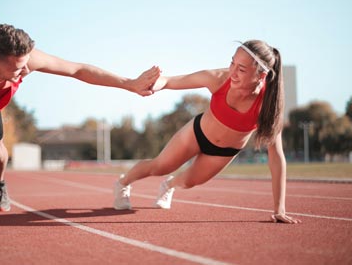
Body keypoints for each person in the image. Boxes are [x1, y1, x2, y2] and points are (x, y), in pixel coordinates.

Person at [0, 24, 161, 234]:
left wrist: (129, 84)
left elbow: (77, 69)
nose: (25, 72)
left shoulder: (24, 60)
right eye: (18, 69)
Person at [113, 40, 300, 224]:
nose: (232, 72)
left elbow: (276, 155)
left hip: (224, 152)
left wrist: (279, 210)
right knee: (160, 166)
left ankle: (168, 185)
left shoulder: (268, 105)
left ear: (261, 76)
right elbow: (170, 81)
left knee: (189, 182)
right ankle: (123, 183)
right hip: (197, 133)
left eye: (241, 69)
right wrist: (153, 85)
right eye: (232, 63)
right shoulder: (219, 78)